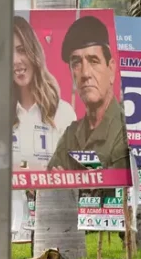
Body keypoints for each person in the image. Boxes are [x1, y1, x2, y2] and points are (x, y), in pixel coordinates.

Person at [46, 15, 130, 171]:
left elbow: (127, 183)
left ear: (111, 69)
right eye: (76, 63)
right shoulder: (71, 135)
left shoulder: (127, 132)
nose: (85, 73)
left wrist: (70, 179)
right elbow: (51, 182)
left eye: (93, 61)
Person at [11, 15, 76, 171]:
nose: (15, 60)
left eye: (21, 50)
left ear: (34, 53)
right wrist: (40, 169)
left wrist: (68, 174)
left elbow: (87, 166)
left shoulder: (63, 112)